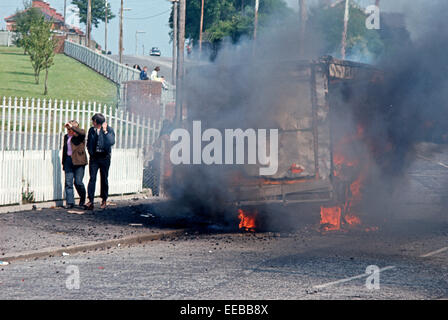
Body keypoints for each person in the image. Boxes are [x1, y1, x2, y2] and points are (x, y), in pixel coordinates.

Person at [85, 113, 115, 210]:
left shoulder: (109, 129)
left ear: (96, 122)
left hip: (104, 157)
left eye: (93, 121)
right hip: (94, 158)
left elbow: (111, 142)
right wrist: (91, 152)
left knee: (104, 178)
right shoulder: (91, 130)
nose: (92, 123)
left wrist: (105, 131)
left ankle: (104, 199)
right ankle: (90, 200)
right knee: (92, 178)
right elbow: (89, 142)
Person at [62, 120, 87, 209]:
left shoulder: (79, 136)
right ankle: (70, 202)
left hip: (79, 161)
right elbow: (64, 151)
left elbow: (82, 133)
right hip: (68, 160)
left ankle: (83, 198)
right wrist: (63, 162)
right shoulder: (66, 137)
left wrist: (73, 127)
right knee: (68, 183)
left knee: (78, 182)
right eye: (68, 128)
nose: (69, 130)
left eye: (71, 128)